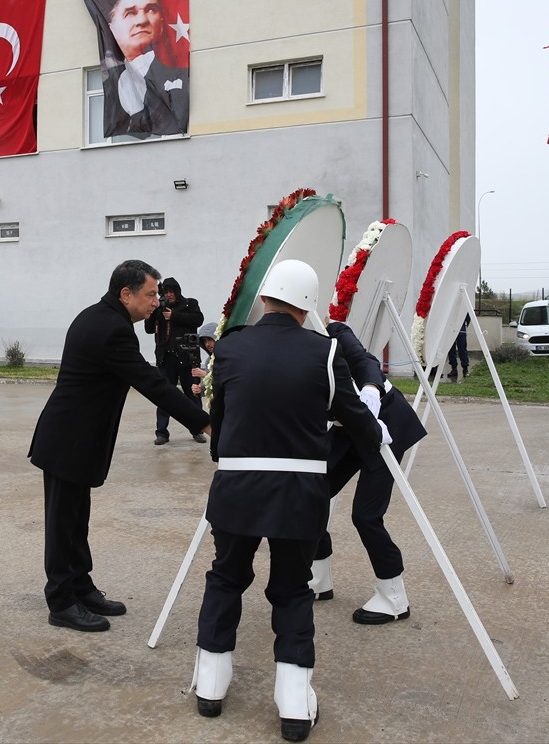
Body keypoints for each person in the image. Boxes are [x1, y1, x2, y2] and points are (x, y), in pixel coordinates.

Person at [191, 259, 385, 742]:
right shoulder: (325, 351)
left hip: (235, 488)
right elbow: (351, 414)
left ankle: (210, 688)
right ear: (308, 305)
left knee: (225, 579)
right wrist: (375, 430)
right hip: (298, 495)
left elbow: (219, 423)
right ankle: (294, 706)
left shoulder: (230, 347)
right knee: (292, 591)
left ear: (267, 298)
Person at [29, 259, 211, 633]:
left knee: (76, 520)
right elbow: (152, 382)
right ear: (125, 293)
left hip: (75, 438)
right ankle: (61, 600)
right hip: (68, 440)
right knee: (64, 522)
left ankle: (81, 586)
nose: (156, 302)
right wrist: (203, 420)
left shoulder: (99, 317)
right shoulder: (111, 329)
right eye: (149, 294)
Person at [309, 318, 427, 623]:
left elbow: (365, 361)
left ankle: (393, 596)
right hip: (347, 425)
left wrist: (371, 390)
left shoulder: (333, 332)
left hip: (382, 418)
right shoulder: (285, 349)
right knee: (311, 493)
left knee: (365, 515)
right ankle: (318, 579)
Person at [102, 0, 189, 138]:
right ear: (112, 29)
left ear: (161, 23)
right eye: (130, 13)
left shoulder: (179, 71)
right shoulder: (108, 80)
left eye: (151, 10)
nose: (142, 21)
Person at [144, 276, 205, 445]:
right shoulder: (158, 307)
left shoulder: (189, 304)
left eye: (172, 292)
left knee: (192, 394)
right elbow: (149, 330)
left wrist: (174, 316)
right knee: (163, 395)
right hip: (166, 358)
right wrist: (151, 312)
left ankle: (197, 429)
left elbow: (198, 319)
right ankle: (162, 433)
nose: (169, 295)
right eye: (166, 292)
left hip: (188, 357)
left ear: (177, 292)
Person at [190, 321, 218, 397]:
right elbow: (208, 387)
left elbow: (228, 381)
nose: (207, 344)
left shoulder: (229, 357)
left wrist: (206, 375)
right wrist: (199, 389)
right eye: (204, 341)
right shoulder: (209, 361)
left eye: (210, 339)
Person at [445, 314, 470, 382]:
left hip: (461, 329)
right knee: (451, 350)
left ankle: (465, 369)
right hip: (450, 329)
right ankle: (454, 368)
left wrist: (465, 325)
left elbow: (468, 317)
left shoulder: (463, 305)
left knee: (462, 350)